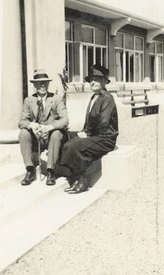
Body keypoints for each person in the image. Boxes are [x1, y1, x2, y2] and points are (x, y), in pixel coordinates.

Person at [60, 64, 118, 194]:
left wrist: (88, 134)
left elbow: (104, 123)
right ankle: (75, 178)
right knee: (66, 140)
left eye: (96, 80)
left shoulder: (107, 98)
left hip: (106, 138)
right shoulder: (94, 97)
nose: (93, 82)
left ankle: (83, 181)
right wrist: (83, 131)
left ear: (104, 82)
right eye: (91, 80)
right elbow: (89, 121)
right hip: (95, 136)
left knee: (75, 146)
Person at [18, 69, 69, 186]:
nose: (42, 85)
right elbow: (22, 122)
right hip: (37, 136)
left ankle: (51, 171)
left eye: (45, 82)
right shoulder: (29, 100)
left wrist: (50, 127)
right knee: (23, 133)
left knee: (56, 134)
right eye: (39, 82)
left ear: (48, 84)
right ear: (34, 85)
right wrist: (32, 125)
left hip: (52, 135)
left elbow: (65, 120)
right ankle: (30, 170)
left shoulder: (56, 99)